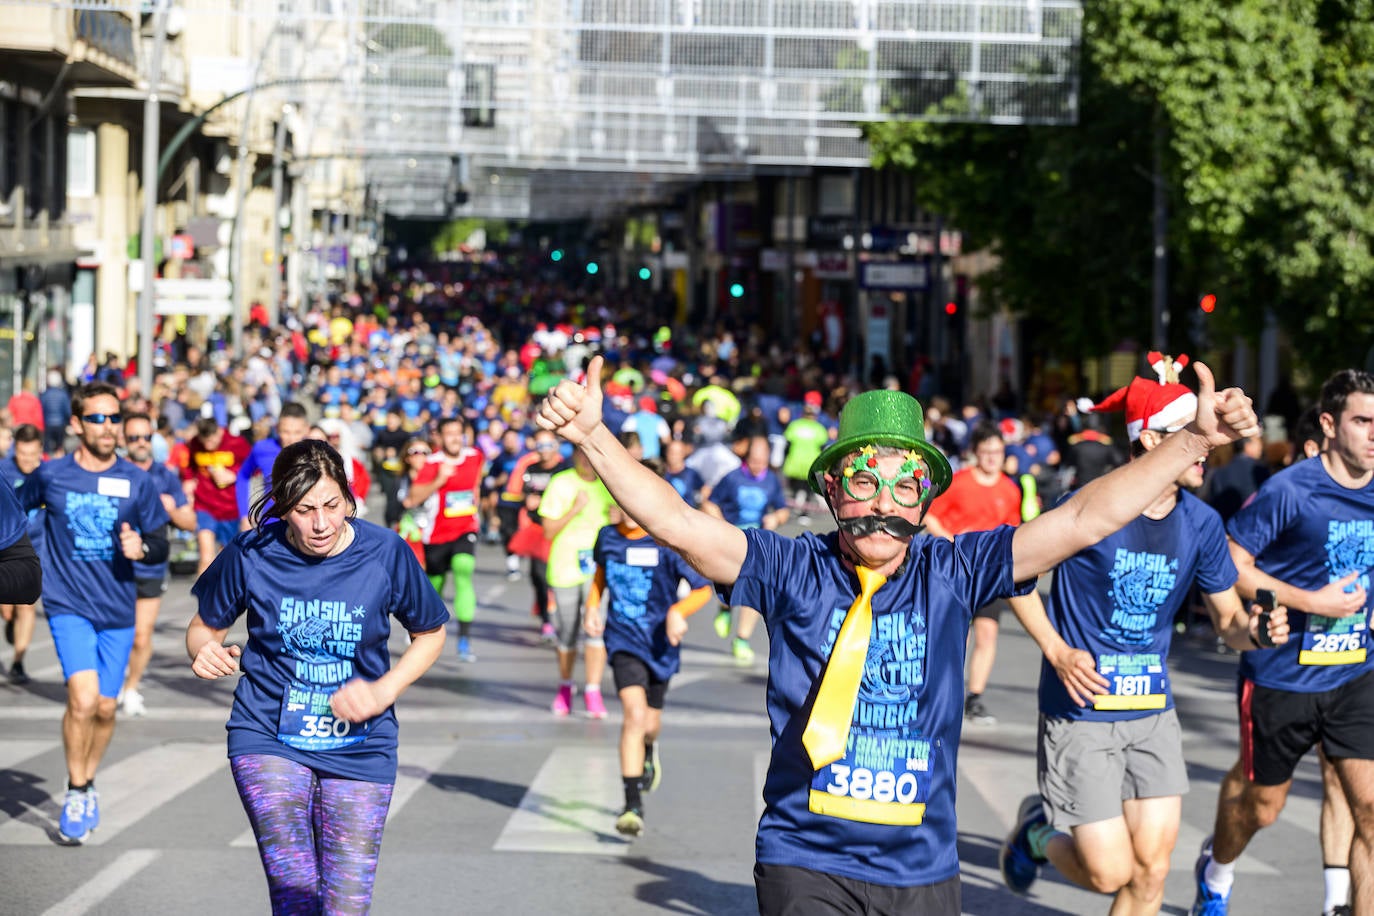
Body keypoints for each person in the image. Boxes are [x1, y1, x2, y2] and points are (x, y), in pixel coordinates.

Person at [535, 354, 1255, 914]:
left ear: (925, 496)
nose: (883, 505)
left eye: (904, 486)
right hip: (804, 857)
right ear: (829, 491)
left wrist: (1190, 440)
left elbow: (1081, 521)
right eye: (863, 484)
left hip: (923, 870)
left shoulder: (957, 570)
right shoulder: (791, 567)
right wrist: (593, 436)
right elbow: (679, 525)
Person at [997, 357, 1290, 914]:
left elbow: (1229, 622)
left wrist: (1258, 631)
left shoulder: (1202, 522)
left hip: (1152, 712)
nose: (1208, 450)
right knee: (1111, 874)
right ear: (1151, 437)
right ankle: (1038, 830)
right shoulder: (1092, 508)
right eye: (1193, 435)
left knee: (1153, 871)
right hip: (1082, 711)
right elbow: (1011, 575)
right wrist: (1057, 650)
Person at [186, 438, 448, 915]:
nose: (321, 523)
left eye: (331, 505)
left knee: (346, 904)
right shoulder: (252, 551)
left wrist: (383, 690)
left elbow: (430, 633)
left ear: (349, 499)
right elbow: (203, 629)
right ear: (283, 507)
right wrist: (204, 652)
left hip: (361, 743)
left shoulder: (386, 552)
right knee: (295, 893)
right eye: (305, 510)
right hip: (267, 732)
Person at [1192, 369, 1374, 916]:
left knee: (1369, 810)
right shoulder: (1292, 489)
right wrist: (1311, 602)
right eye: (1362, 421)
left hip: (1355, 675)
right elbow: (1230, 562)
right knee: (1263, 807)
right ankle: (1216, 870)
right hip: (1281, 675)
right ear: (1329, 424)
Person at [18, 382, 170, 844]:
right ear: (78, 424)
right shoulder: (52, 475)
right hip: (68, 604)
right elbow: (14, 513)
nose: (109, 427)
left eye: (114, 418)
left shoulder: (136, 480)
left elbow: (160, 540)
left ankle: (88, 780)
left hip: (118, 607)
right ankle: (77, 787)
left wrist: (140, 546)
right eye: (98, 418)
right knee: (82, 700)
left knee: (106, 708)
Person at [584, 472, 713, 836]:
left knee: (650, 725)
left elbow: (702, 590)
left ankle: (649, 751)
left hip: (660, 642)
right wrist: (593, 606)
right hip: (623, 640)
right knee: (633, 715)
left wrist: (677, 612)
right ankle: (631, 804)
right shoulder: (607, 538)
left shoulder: (665, 544)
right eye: (620, 502)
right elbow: (600, 575)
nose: (626, 509)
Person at [923, 423, 1025, 726]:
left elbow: (1012, 531)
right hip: (955, 569)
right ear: (975, 453)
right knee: (957, 634)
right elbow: (930, 515)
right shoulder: (959, 482)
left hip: (990, 573)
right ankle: (945, 694)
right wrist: (952, 541)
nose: (993, 458)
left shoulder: (1010, 489)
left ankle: (974, 698)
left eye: (998, 452)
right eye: (987, 452)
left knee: (987, 633)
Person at [116, 412, 197, 716]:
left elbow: (189, 521)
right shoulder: (116, 472)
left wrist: (171, 510)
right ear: (124, 440)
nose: (140, 443)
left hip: (151, 564)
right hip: (114, 565)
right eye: (133, 437)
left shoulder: (165, 476)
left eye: (145, 437)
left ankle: (131, 687)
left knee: (141, 634)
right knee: (113, 631)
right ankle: (110, 681)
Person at [540, 448, 615, 717]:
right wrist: (575, 509)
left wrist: (617, 518)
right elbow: (548, 531)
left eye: (590, 454)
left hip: (598, 571)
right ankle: (565, 686)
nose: (586, 460)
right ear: (574, 457)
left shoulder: (608, 486)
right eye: (581, 454)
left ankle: (593, 691)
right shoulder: (561, 483)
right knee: (568, 633)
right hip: (565, 568)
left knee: (596, 630)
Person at [405, 416, 484, 661]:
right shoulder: (432, 463)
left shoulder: (475, 457)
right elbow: (412, 498)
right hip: (436, 534)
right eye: (449, 433)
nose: (454, 438)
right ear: (440, 437)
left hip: (465, 529)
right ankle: (421, 636)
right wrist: (439, 479)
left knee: (464, 568)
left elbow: (476, 485)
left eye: (458, 433)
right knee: (434, 589)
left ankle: (464, 639)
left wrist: (476, 510)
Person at [705, 435, 789, 662]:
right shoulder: (732, 478)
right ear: (747, 457)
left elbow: (783, 509)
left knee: (755, 589)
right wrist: (721, 523)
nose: (757, 465)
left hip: (758, 543)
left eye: (762, 461)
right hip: (733, 538)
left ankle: (741, 639)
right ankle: (725, 607)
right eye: (754, 460)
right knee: (731, 583)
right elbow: (710, 502)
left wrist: (775, 518)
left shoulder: (772, 480)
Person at [0, 423, 45, 682]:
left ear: (41, 451)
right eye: (22, 454)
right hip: (5, 549)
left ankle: (18, 661)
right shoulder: (5, 471)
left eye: (33, 454)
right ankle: (10, 620)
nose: (27, 460)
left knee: (26, 606)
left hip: (36, 550)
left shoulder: (48, 475)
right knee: (8, 609)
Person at [182, 416, 251, 574]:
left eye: (212, 441)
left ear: (219, 432)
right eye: (204, 441)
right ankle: (203, 598)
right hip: (205, 505)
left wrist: (233, 475)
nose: (207, 446)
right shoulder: (194, 443)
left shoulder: (237, 443)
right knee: (206, 557)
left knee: (228, 558)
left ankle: (224, 596)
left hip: (230, 508)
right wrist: (188, 480)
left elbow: (253, 469)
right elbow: (189, 466)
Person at [234, 402, 310, 530]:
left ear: (306, 429)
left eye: (297, 432)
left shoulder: (316, 451)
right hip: (271, 525)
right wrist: (243, 515)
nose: (291, 438)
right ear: (277, 428)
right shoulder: (262, 449)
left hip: (306, 524)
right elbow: (242, 476)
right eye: (285, 432)